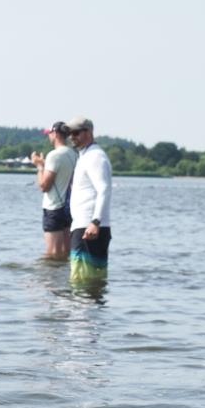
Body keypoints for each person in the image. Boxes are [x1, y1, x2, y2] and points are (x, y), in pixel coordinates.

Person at [66, 116, 112, 284]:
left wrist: (95, 222)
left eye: (76, 132)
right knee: (91, 282)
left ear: (89, 132)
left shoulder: (95, 157)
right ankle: (90, 308)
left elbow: (104, 188)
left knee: (82, 280)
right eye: (70, 133)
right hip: (84, 225)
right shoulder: (85, 156)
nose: (72, 136)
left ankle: (84, 310)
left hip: (90, 227)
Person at [31, 121, 77, 259]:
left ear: (55, 134)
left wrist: (39, 167)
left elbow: (44, 186)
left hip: (53, 208)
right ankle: (63, 280)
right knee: (65, 253)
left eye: (49, 133)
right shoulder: (74, 154)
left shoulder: (54, 155)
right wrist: (45, 164)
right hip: (68, 208)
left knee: (52, 255)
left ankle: (51, 279)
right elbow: (62, 171)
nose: (48, 136)